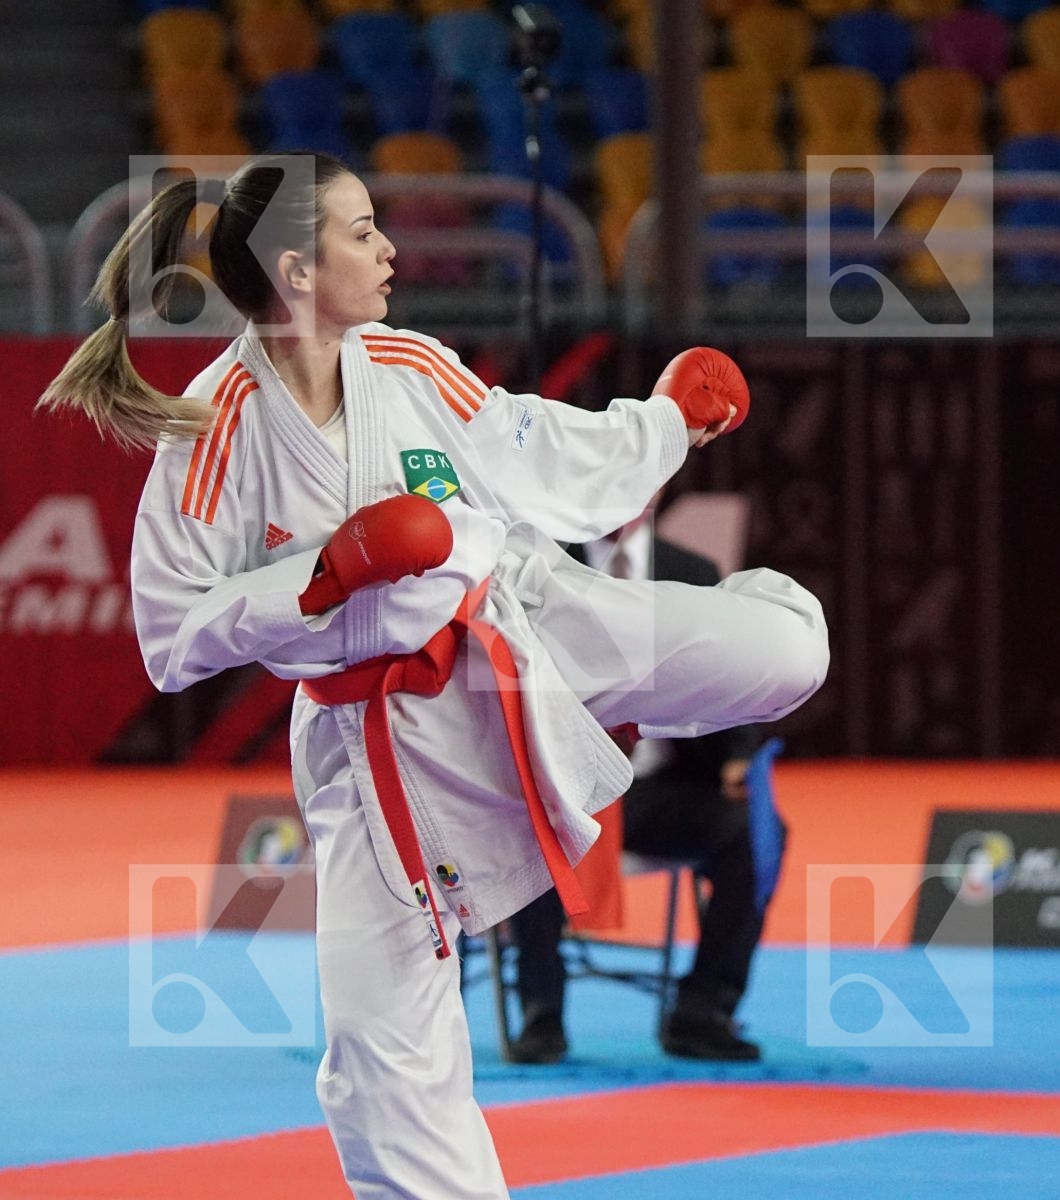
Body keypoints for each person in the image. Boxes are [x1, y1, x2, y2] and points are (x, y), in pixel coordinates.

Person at [37, 152, 830, 1199]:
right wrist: (316, 582)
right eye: (363, 232)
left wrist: (667, 421)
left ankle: (762, 600)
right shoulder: (216, 426)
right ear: (298, 270)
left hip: (530, 621)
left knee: (788, 654)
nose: (390, 250)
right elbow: (167, 634)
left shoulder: (406, 363)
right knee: (379, 1051)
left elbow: (537, 448)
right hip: (380, 745)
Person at [509, 505, 780, 1064]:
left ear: (657, 485)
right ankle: (541, 1014)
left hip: (656, 788)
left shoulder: (694, 572)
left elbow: (731, 678)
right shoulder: (534, 565)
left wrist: (735, 758)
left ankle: (703, 1010)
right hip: (561, 779)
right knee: (531, 824)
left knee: (753, 833)